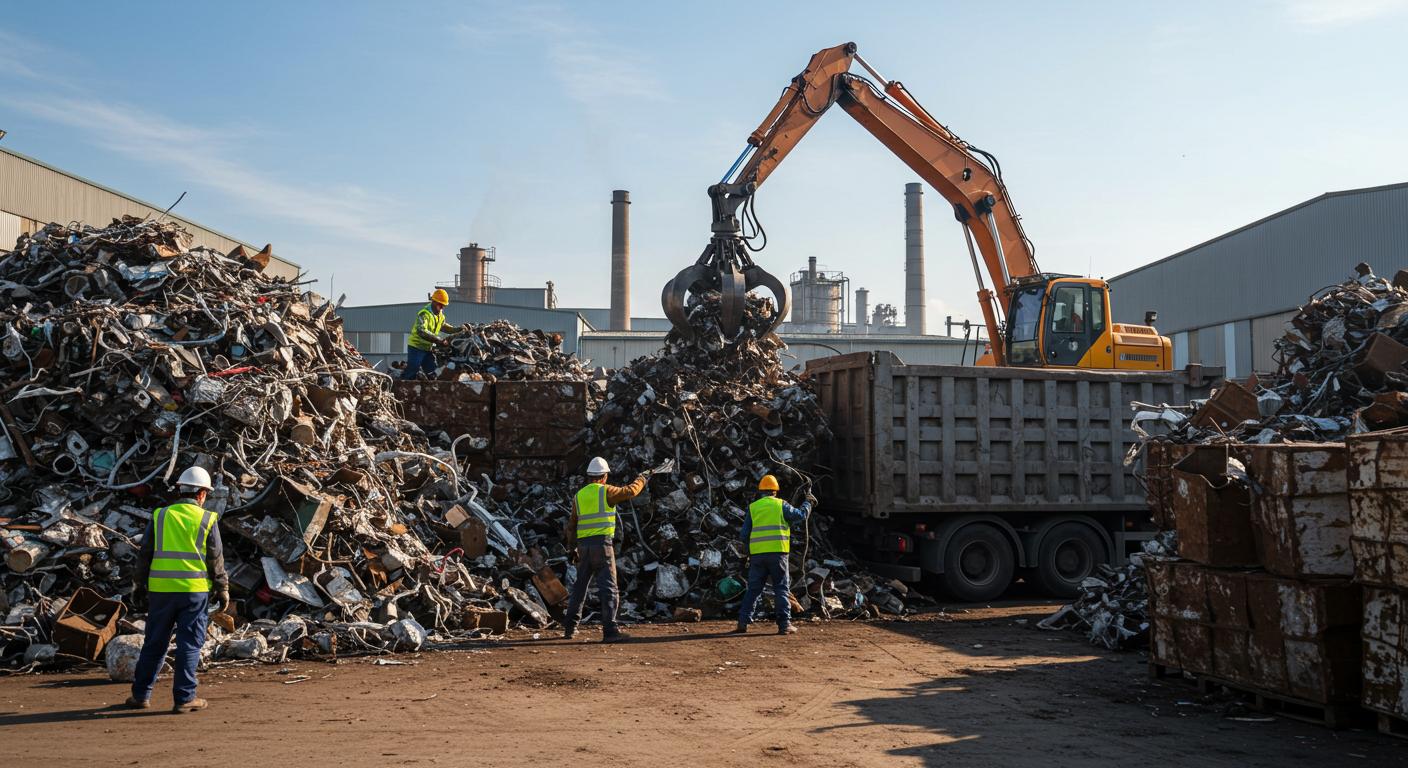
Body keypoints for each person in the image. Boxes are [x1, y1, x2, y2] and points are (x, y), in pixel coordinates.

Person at [127, 466, 229, 713]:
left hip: (161, 591)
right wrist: (222, 587)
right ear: (202, 494)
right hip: (194, 592)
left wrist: (138, 586)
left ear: (180, 490)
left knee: (154, 643)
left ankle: (141, 695)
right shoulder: (206, 519)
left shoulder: (161, 516)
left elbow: (145, 554)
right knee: (189, 644)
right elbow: (215, 558)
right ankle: (184, 698)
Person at [562, 457, 647, 643]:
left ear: (589, 477)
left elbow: (571, 526)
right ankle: (610, 631)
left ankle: (570, 628)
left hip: (583, 547)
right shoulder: (606, 491)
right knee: (608, 588)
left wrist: (571, 548)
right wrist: (642, 478)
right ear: (604, 476)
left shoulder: (579, 496)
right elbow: (631, 491)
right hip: (602, 546)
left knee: (579, 588)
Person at [732, 475, 813, 635]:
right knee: (781, 589)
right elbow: (800, 516)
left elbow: (744, 535)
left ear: (761, 491)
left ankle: (743, 622)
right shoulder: (781, 505)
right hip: (778, 554)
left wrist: (750, 552)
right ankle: (784, 625)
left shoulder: (753, 507)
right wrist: (808, 503)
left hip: (757, 556)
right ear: (775, 491)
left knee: (753, 589)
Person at [402, 289, 451, 380]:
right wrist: (439, 340)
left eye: (443, 306)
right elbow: (422, 331)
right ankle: (403, 389)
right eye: (440, 305)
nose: (442, 308)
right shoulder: (425, 314)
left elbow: (443, 326)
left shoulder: (440, 315)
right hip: (416, 347)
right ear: (434, 302)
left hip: (427, 349)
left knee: (432, 371)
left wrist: (458, 329)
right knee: (413, 370)